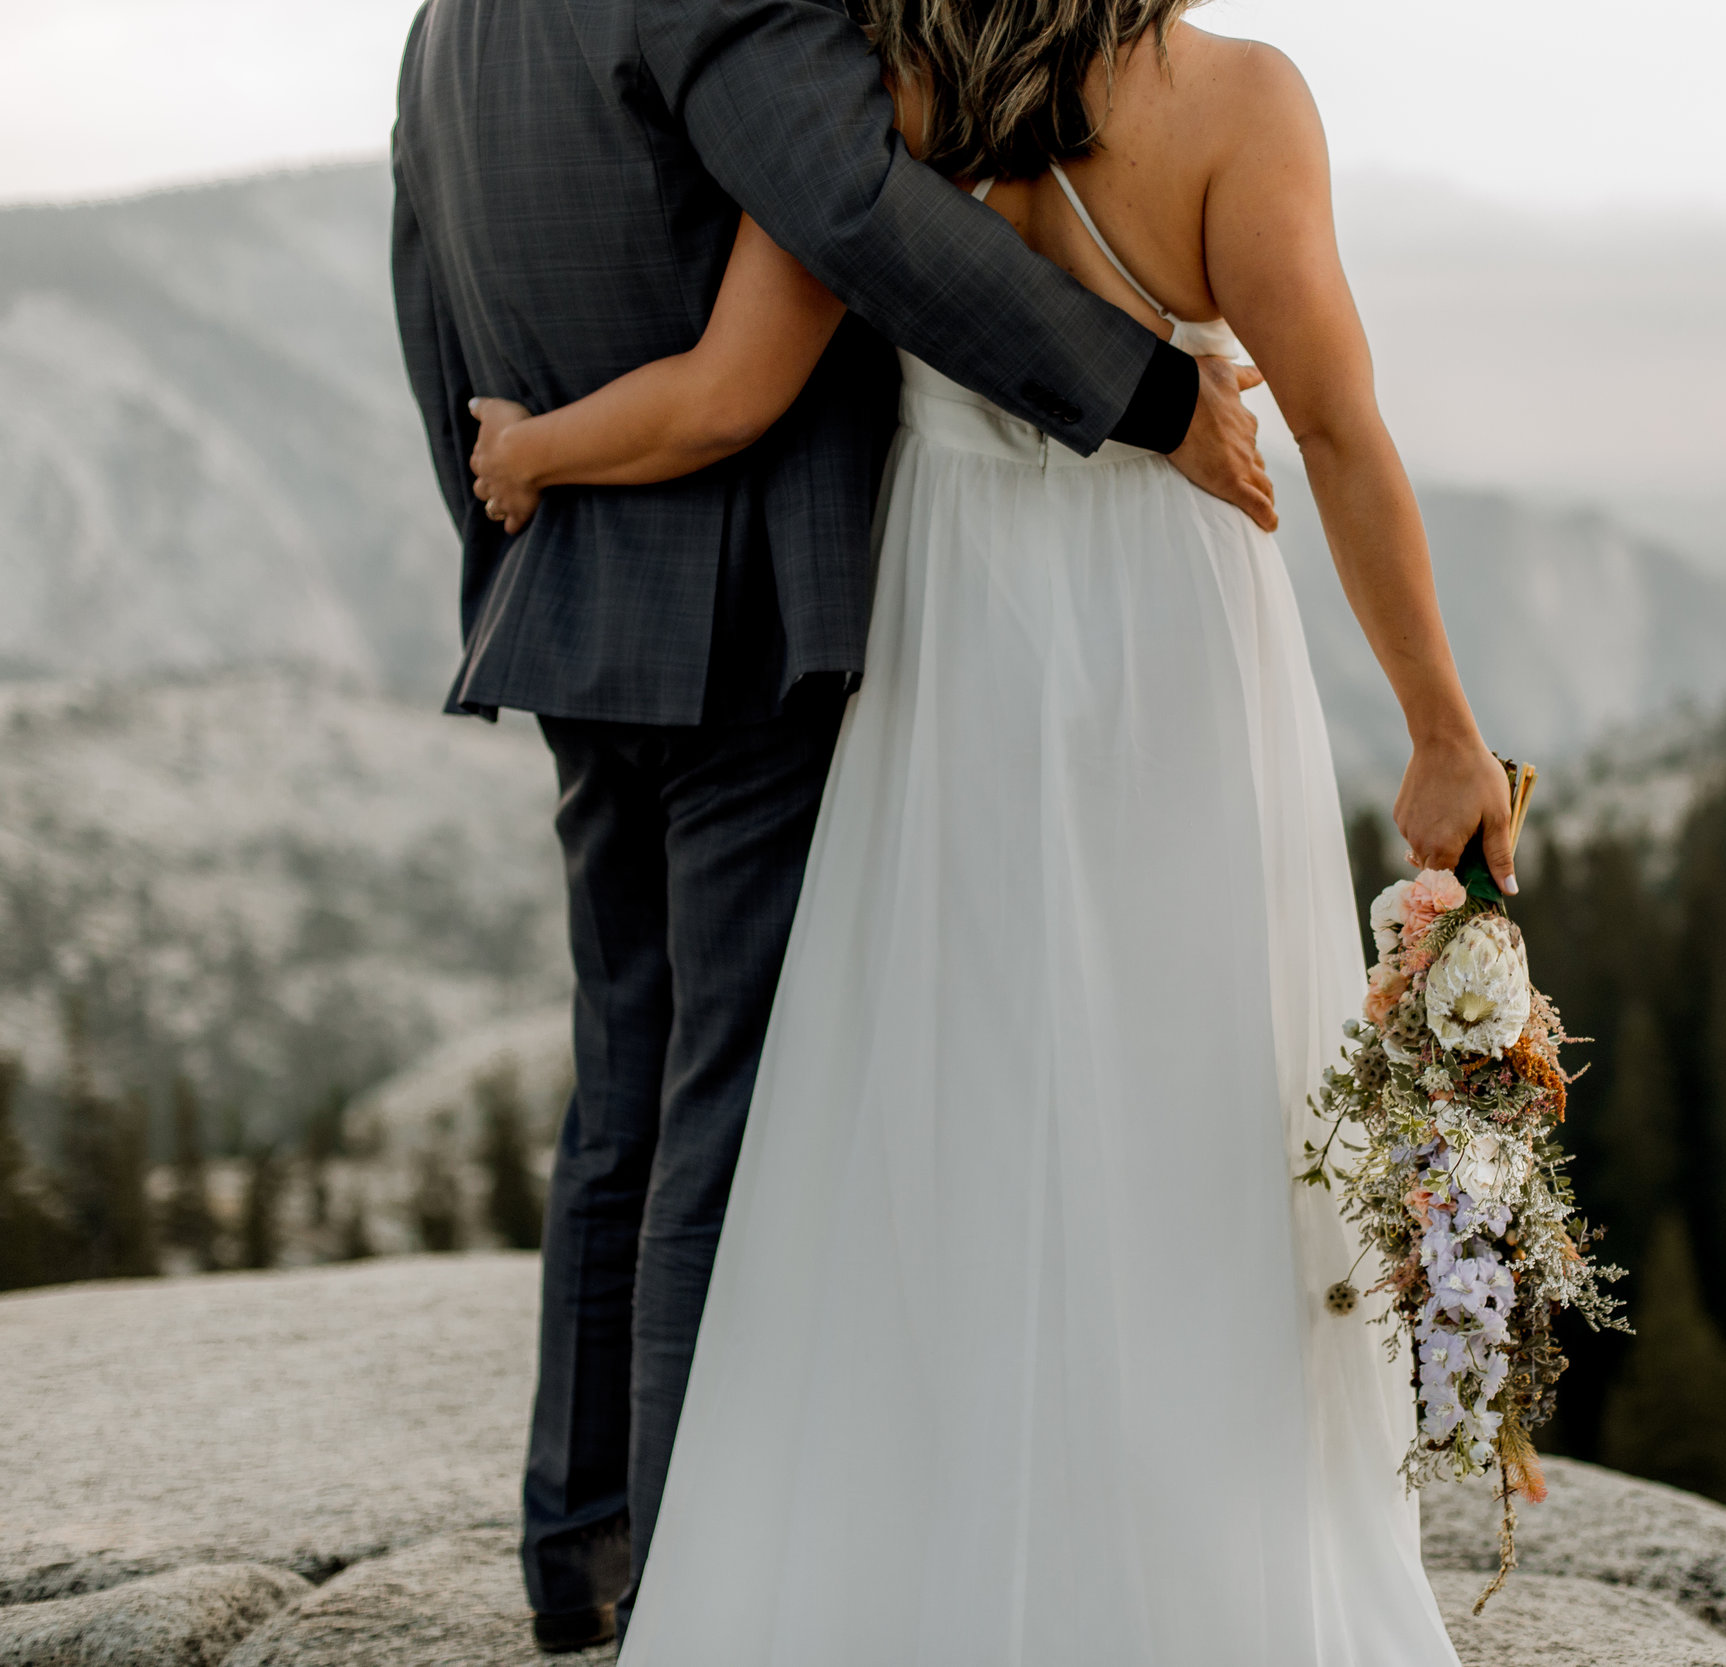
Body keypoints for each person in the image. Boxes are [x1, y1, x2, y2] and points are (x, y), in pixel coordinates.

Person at [461, 2, 1515, 1659]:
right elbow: (1333, 433)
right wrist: (1443, 727)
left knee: (950, 1098)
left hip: (952, 638)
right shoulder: (1238, 103)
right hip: (1172, 645)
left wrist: (530, 449)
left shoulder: (890, 89)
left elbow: (730, 389)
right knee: (1194, 1106)